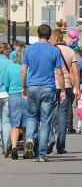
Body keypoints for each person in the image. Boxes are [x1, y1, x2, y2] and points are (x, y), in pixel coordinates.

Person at [21, 24, 66, 162]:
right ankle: (41, 154)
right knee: (46, 121)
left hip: (33, 87)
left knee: (32, 116)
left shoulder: (29, 49)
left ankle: (29, 139)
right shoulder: (54, 50)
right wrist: (63, 90)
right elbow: (59, 73)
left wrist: (24, 86)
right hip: (48, 88)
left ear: (38, 34)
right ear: (49, 35)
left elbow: (23, 71)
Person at [47, 28, 80, 155]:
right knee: (62, 115)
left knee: (48, 114)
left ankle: (50, 138)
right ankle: (61, 146)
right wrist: (77, 87)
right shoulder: (70, 51)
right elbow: (75, 71)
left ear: (55, 38)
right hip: (66, 86)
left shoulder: (50, 50)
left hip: (51, 85)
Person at [4, 46, 28, 160]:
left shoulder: (10, 67)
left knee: (14, 124)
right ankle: (26, 149)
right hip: (26, 96)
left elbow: (6, 84)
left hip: (13, 96)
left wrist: (11, 92)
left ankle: (14, 148)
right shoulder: (29, 67)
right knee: (26, 126)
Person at [0, 42, 12, 157]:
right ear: (4, 51)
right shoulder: (9, 63)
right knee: (6, 120)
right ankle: (6, 144)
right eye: (8, 51)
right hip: (5, 94)